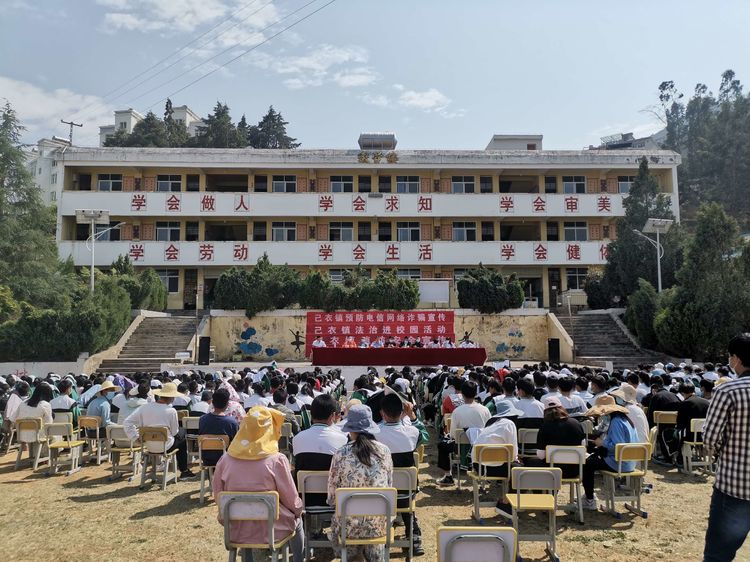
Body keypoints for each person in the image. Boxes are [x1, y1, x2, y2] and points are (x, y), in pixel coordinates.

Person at [212, 406, 304, 562]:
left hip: (236, 528)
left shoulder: (225, 460)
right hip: (273, 528)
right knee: (298, 521)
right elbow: (291, 499)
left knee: (246, 529)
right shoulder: (276, 460)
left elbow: (218, 495)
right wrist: (298, 510)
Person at [702, 334, 750, 561]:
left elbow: (710, 439)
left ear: (737, 359)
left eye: (730, 356)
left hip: (735, 486)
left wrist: (724, 448)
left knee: (718, 556)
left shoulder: (728, 390)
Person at [327, 404, 393, 562]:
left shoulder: (340, 453)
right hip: (377, 525)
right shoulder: (384, 451)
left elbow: (332, 496)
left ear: (350, 429)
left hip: (348, 527)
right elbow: (389, 485)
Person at [377, 393, 428, 556]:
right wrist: (412, 416)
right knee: (407, 504)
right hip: (407, 491)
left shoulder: (374, 434)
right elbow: (425, 436)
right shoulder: (412, 431)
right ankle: (413, 534)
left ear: (382, 413)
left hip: (381, 491)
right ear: (402, 412)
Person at [124, 382, 195, 479]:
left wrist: (135, 438)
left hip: (149, 445)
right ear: (172, 397)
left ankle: (183, 470)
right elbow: (174, 432)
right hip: (166, 446)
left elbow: (127, 422)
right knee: (182, 437)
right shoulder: (171, 411)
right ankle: (184, 470)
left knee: (180, 435)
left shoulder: (144, 407)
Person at [581, 398, 637, 510]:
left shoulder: (615, 422)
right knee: (592, 459)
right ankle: (588, 497)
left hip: (619, 463)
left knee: (587, 464)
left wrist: (602, 443)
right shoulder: (625, 419)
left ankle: (589, 499)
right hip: (630, 462)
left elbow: (618, 446)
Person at [437, 381, 490, 486]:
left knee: (442, 445)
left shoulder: (458, 411)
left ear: (462, 394)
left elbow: (453, 435)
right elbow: (489, 429)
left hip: (460, 448)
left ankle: (448, 476)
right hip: (481, 448)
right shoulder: (485, 410)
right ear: (476, 393)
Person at [531, 397, 585, 478]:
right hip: (574, 470)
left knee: (531, 462)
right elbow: (583, 446)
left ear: (545, 411)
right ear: (562, 408)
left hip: (552, 471)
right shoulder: (576, 423)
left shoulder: (544, 427)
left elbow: (541, 455)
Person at [198, 388, 239, 467]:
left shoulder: (202, 419)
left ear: (212, 403)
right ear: (227, 404)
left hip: (206, 458)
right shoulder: (232, 422)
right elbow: (235, 443)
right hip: (226, 459)